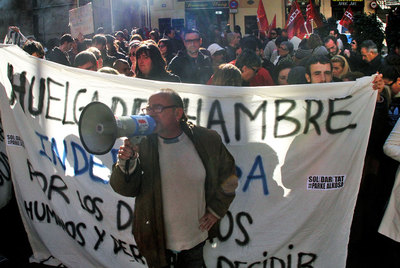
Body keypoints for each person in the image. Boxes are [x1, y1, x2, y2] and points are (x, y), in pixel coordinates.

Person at [109, 89, 238, 267]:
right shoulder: (143, 143)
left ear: (178, 113)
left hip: (195, 239)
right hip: (156, 241)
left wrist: (216, 211)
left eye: (158, 108)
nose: (151, 113)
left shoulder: (206, 140)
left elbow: (229, 177)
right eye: (149, 108)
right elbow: (125, 189)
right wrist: (126, 162)